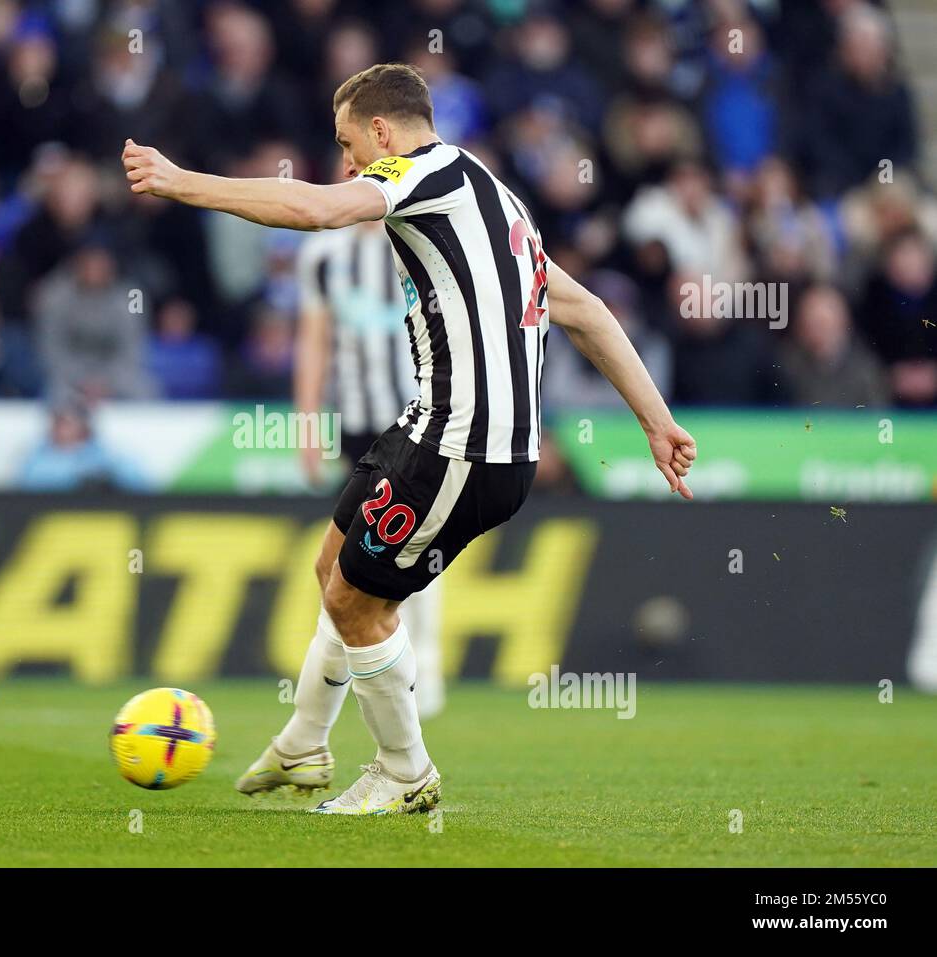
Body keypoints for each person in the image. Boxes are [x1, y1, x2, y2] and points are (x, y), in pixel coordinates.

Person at [122, 63, 696, 815]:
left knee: (361, 604)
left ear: (382, 132)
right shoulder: (496, 200)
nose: (350, 160)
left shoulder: (418, 171)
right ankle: (304, 741)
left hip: (465, 447)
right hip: (431, 427)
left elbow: (318, 210)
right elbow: (583, 309)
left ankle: (404, 769)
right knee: (333, 565)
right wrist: (658, 421)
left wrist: (180, 182)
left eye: (349, 142)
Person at [296, 217, 444, 719]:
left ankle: (424, 664)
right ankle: (373, 663)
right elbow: (314, 342)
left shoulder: (418, 243)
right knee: (355, 550)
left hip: (419, 416)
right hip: (359, 425)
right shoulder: (323, 258)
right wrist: (308, 423)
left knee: (415, 544)